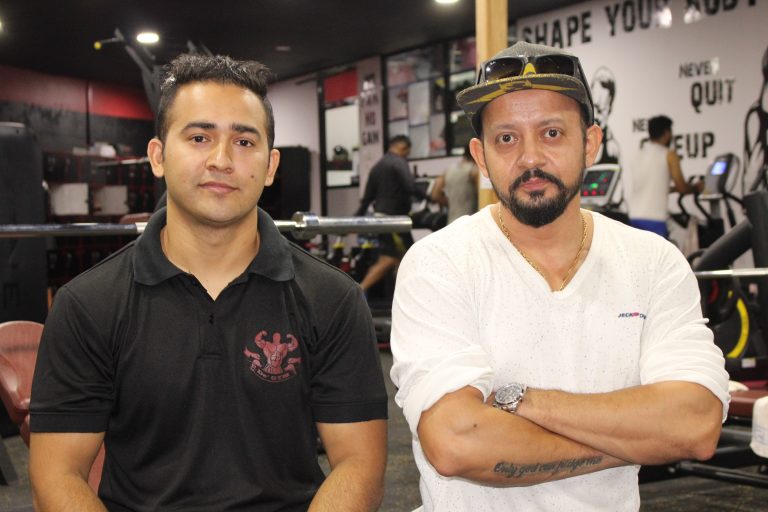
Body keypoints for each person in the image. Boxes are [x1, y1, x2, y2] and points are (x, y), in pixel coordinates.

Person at [29, 54, 388, 511]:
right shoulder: (87, 304)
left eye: (244, 141)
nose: (221, 160)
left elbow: (359, 464)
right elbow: (56, 475)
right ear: (158, 156)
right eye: (199, 138)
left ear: (271, 165)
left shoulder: (332, 299)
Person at [389, 41, 729, 511]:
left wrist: (519, 400)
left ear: (590, 143)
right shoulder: (440, 262)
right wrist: (635, 441)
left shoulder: (654, 262)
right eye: (506, 138)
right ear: (481, 157)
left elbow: (694, 424)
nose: (530, 158)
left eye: (551, 133)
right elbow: (456, 443)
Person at [355, 134, 424, 292]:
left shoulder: (377, 166)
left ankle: (405, 293)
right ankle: (359, 291)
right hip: (394, 221)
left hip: (381, 217)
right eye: (407, 152)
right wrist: (429, 196)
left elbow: (366, 198)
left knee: (404, 258)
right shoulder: (398, 162)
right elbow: (410, 186)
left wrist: (356, 219)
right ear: (403, 148)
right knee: (391, 258)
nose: (407, 155)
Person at [629, 115, 702, 238]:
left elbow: (651, 186)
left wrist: (673, 189)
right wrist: (696, 187)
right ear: (667, 133)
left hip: (634, 217)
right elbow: (682, 187)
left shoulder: (638, 155)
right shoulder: (669, 155)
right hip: (654, 219)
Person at [430, 143, 479, 224]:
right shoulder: (474, 171)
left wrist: (451, 202)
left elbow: (435, 195)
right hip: (470, 222)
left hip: (452, 222)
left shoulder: (448, 170)